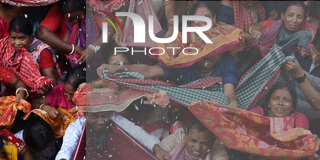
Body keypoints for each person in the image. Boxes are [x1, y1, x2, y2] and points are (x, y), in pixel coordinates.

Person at [96, 50, 240, 108]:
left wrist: (232, 107)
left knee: (221, 100)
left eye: (215, 53)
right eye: (206, 52)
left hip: (218, 110)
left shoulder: (225, 60)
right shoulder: (184, 62)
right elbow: (149, 70)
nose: (210, 57)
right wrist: (119, 68)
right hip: (188, 112)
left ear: (220, 54)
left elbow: (229, 95)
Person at [0, 16, 56, 92]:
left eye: (22, 38)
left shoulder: (42, 52)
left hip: (35, 94)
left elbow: (53, 82)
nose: (17, 43)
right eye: (13, 38)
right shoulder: (5, 45)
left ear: (31, 36)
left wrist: (46, 86)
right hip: (11, 91)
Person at [37, 0, 94, 65]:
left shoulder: (92, 9)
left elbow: (107, 31)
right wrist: (72, 49)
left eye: (78, 16)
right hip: (67, 62)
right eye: (70, 19)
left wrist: (93, 48)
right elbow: (42, 33)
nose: (75, 21)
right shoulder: (59, 11)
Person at [249, 1, 314, 59]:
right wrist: (254, 30)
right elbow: (252, 26)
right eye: (290, 15)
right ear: (283, 15)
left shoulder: (306, 31)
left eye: (299, 17)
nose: (294, 20)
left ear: (303, 20)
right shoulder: (274, 26)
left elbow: (316, 34)